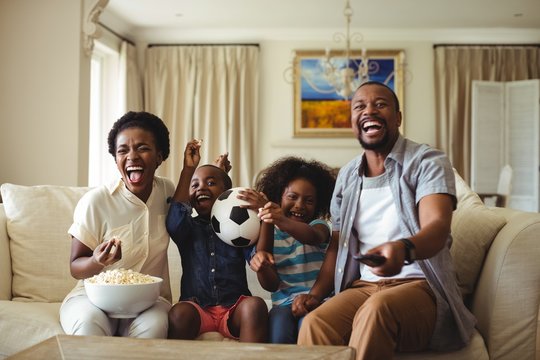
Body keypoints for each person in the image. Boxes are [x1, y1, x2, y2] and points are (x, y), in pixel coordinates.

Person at [293, 81, 476, 359]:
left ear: (398, 117)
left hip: (421, 286)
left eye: (380, 104)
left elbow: (437, 229)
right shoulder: (347, 176)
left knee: (377, 309)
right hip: (364, 287)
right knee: (316, 322)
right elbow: (337, 245)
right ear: (353, 121)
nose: (370, 111)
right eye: (360, 106)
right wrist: (316, 295)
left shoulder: (428, 162)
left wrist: (403, 249)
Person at [60, 111, 176, 338]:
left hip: (149, 301)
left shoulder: (167, 192)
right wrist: (96, 260)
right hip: (93, 298)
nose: (132, 156)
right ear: (116, 159)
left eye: (142, 148)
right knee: (88, 324)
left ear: (159, 156)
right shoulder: (96, 202)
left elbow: (200, 204)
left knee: (154, 328)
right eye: (123, 150)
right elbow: (75, 267)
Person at [166, 139, 268, 342]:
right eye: (195, 185)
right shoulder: (187, 228)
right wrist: (189, 169)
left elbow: (256, 256)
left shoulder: (240, 225)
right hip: (197, 308)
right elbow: (175, 219)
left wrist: (263, 216)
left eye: (210, 183)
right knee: (179, 313)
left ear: (225, 194)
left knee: (255, 305)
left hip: (234, 308)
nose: (201, 188)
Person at [246, 156, 336, 344]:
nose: (299, 205)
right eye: (292, 197)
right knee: (279, 335)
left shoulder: (319, 226)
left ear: (318, 205)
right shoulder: (270, 232)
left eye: (309, 200)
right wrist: (267, 220)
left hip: (317, 301)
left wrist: (279, 219)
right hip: (283, 305)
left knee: (308, 328)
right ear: (278, 197)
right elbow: (269, 284)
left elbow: (312, 236)